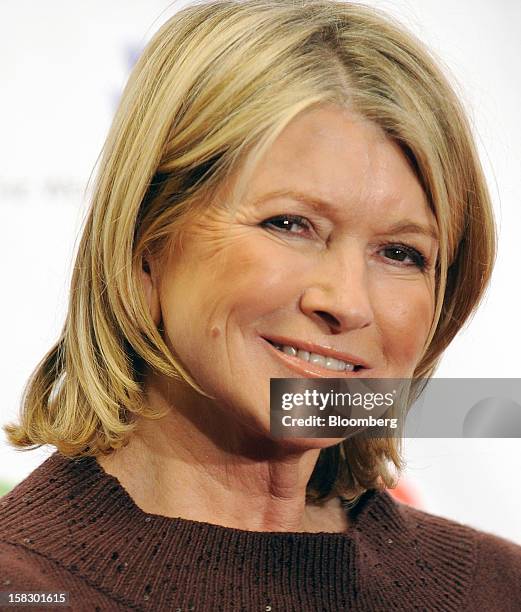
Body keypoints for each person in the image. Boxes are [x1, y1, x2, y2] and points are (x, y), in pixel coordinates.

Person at [1, 0, 520, 610]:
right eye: (290, 224)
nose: (347, 303)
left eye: (401, 254)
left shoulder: (495, 588)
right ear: (147, 244)